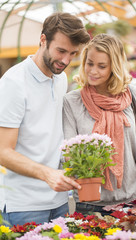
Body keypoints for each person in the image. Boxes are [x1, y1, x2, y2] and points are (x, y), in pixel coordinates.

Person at [0, 12, 90, 226]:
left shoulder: (61, 78)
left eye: (73, 53)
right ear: (43, 40)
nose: (66, 61)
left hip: (58, 200)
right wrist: (48, 174)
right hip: (24, 206)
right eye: (60, 51)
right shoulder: (13, 83)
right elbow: (3, 151)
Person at [63, 33, 136, 216]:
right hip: (91, 205)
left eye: (101, 66)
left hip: (134, 201)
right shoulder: (71, 101)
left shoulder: (130, 94)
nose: (92, 71)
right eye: (89, 63)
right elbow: (68, 150)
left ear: (114, 67)